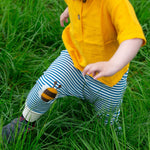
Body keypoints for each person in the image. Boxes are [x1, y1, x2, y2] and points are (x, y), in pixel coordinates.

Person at [2, 0, 146, 143]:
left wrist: (113, 64)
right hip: (74, 62)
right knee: (44, 90)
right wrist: (71, 9)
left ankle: (110, 136)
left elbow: (133, 37)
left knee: (107, 120)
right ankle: (25, 122)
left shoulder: (116, 3)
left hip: (109, 79)